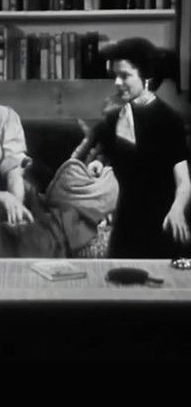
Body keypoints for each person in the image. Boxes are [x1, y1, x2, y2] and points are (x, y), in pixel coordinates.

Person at [0, 45, 118, 258]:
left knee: (39, 230)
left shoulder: (4, 116)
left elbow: (13, 169)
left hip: (12, 188)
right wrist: (1, 198)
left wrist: (14, 200)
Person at [76, 37, 191, 258]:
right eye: (115, 76)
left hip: (161, 219)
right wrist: (99, 164)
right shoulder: (114, 117)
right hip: (125, 222)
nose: (118, 82)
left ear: (146, 76)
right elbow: (108, 156)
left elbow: (184, 180)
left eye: (125, 75)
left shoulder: (168, 120)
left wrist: (177, 209)